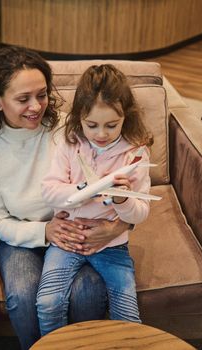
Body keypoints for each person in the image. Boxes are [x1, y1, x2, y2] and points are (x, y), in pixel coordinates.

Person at [0, 46, 132, 349]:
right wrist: (44, 231)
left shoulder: (71, 128)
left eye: (42, 94)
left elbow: (117, 178)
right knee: (22, 295)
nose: (36, 106)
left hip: (80, 229)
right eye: (23, 99)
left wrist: (119, 227)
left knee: (88, 292)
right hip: (23, 237)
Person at [37, 64, 153, 335]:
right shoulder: (70, 142)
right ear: (79, 118)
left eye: (111, 125)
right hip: (67, 241)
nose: (101, 134)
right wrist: (83, 188)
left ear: (126, 117)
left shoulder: (135, 153)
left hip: (112, 246)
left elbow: (141, 212)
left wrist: (122, 201)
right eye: (92, 125)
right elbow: (49, 191)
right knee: (47, 302)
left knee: (127, 314)